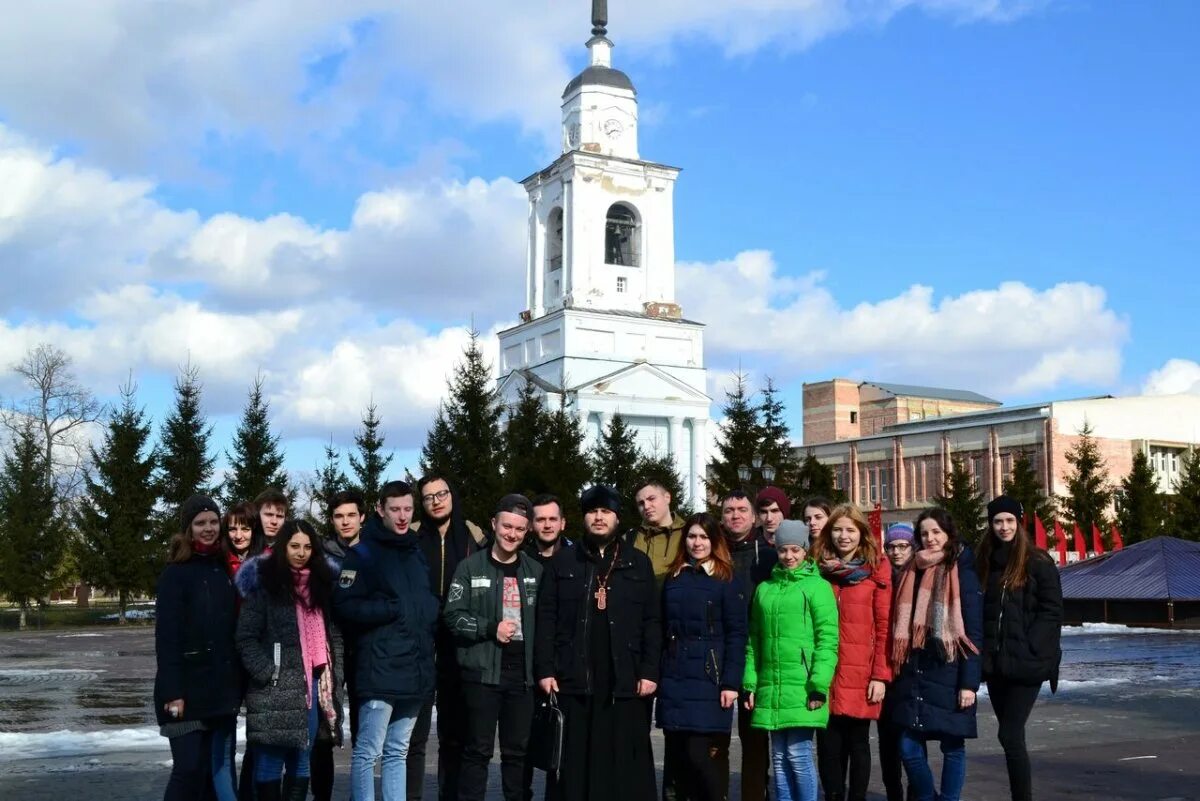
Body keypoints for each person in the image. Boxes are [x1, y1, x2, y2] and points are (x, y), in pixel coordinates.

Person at [534, 484, 662, 801]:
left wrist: (649, 671)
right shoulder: (563, 563)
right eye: (593, 511)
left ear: (617, 518)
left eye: (606, 511)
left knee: (624, 764)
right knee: (575, 764)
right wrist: (545, 669)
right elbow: (546, 619)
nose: (599, 518)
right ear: (583, 518)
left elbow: (652, 621)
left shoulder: (637, 563)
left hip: (625, 679)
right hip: (575, 678)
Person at [334, 480, 439, 801]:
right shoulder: (362, 554)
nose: (403, 515)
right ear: (380, 510)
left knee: (397, 752)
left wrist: (431, 610)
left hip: (415, 671)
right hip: (379, 672)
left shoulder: (415, 552)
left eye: (408, 508)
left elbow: (424, 600)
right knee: (368, 752)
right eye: (395, 509)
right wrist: (388, 609)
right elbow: (344, 605)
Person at [444, 494, 544, 801]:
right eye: (506, 527)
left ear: (527, 532)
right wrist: (489, 628)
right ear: (494, 524)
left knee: (517, 754)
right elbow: (452, 617)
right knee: (478, 752)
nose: (512, 534)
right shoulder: (470, 567)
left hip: (522, 679)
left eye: (519, 529)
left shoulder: (536, 571)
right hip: (482, 676)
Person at [889, 508, 983, 801]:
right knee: (908, 747)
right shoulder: (911, 571)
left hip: (950, 669)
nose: (930, 538)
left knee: (952, 746)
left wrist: (969, 683)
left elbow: (974, 634)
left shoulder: (962, 573)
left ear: (948, 535)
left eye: (936, 532)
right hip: (915, 670)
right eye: (925, 533)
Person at [743, 519, 838, 801]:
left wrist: (818, 684)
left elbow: (827, 640)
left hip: (803, 686)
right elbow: (754, 642)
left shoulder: (817, 587)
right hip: (771, 686)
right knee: (780, 758)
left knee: (798, 756)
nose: (789, 556)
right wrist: (751, 682)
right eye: (784, 550)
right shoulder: (765, 589)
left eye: (795, 549)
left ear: (805, 550)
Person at [155, 494, 242, 801]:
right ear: (188, 529)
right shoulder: (175, 575)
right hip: (186, 693)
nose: (208, 528)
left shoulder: (223, 570)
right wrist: (173, 693)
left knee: (211, 771)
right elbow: (167, 639)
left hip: (219, 692)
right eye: (200, 523)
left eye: (213, 521)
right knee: (188, 768)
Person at [977, 495, 1063, 801]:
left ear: (1019, 522)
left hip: (1027, 664)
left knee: (1009, 734)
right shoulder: (985, 560)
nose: (1003, 527)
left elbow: (1052, 610)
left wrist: (1031, 646)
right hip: (997, 665)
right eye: (998, 521)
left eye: (1009, 521)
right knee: (1012, 737)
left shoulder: (1037, 562)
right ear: (990, 524)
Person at [656, 512, 747, 801]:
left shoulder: (726, 579)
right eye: (692, 536)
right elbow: (661, 626)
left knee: (700, 755)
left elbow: (736, 634)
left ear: (714, 541)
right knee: (678, 758)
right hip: (675, 676)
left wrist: (731, 682)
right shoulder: (674, 577)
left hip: (709, 678)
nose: (697, 543)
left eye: (704, 537)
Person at [410, 474, 489, 801]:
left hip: (459, 642)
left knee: (455, 732)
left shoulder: (473, 534)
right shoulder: (412, 535)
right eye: (428, 497)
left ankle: (450, 795)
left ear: (452, 495)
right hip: (421, 643)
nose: (436, 501)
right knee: (414, 734)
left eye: (441, 493)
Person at [810, 505, 893, 801]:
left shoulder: (875, 570)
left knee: (858, 743)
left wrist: (880, 676)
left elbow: (885, 627)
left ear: (861, 534)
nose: (843, 536)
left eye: (850, 530)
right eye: (838, 529)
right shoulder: (817, 570)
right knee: (829, 746)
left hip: (862, 671)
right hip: (826, 671)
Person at [310, 488, 368, 801]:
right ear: (331, 520)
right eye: (338, 516)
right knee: (324, 732)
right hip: (330, 652)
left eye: (350, 515)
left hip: (366, 652)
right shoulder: (322, 557)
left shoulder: (374, 554)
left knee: (366, 732)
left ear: (362, 517)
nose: (345, 522)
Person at [721, 490, 777, 801]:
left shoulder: (768, 555)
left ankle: (755, 794)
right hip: (721, 654)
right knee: (716, 736)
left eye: (742, 509)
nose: (735, 515)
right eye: (729, 510)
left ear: (753, 516)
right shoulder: (713, 553)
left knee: (755, 738)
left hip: (758, 657)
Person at [522, 493, 570, 800]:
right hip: (523, 665)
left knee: (561, 744)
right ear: (530, 525)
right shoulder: (520, 559)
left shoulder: (577, 559)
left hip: (562, 666)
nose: (547, 525)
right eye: (540, 519)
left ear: (563, 522)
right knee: (522, 744)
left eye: (553, 519)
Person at [878, 523, 917, 801]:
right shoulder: (881, 578)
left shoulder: (920, 577)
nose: (896, 551)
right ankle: (894, 794)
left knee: (912, 741)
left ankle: (917, 793)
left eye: (902, 546)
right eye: (891, 546)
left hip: (913, 669)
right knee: (888, 742)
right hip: (887, 666)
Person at [627, 479, 685, 588]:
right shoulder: (629, 539)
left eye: (651, 499)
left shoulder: (689, 534)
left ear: (667, 497)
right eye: (641, 503)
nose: (646, 506)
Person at [223, 501, 266, 578]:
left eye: (245, 529)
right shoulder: (219, 562)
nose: (238, 536)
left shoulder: (267, 561)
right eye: (233, 529)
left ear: (254, 531)